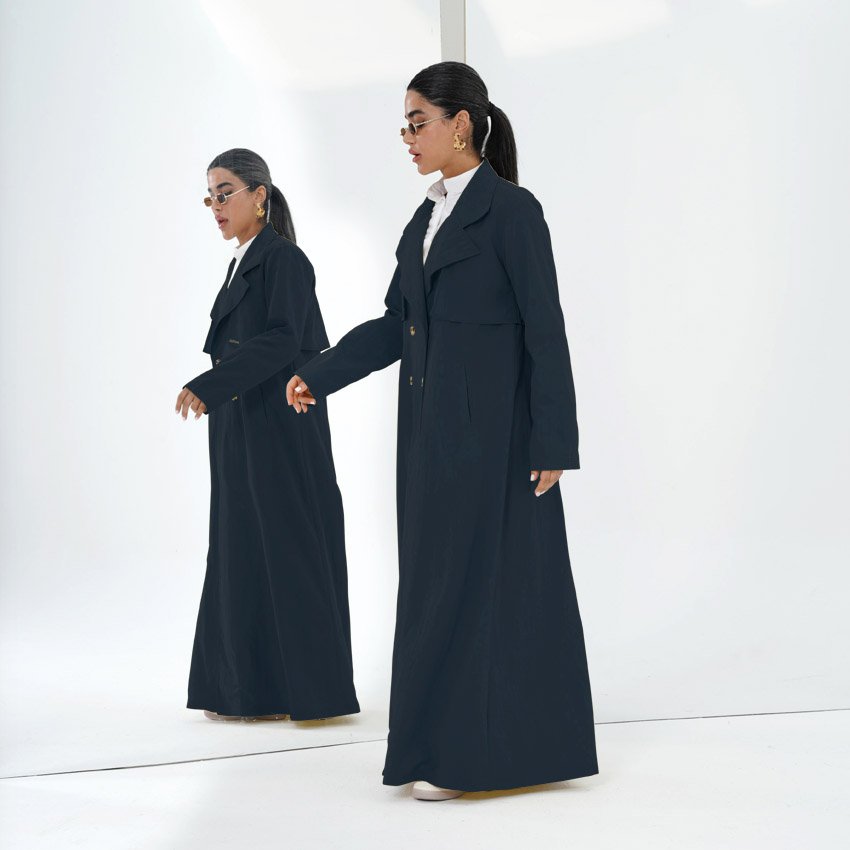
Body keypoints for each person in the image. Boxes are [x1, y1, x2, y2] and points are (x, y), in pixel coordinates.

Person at [287, 61, 599, 800]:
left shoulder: (512, 212)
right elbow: (397, 324)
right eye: (404, 125)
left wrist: (553, 440)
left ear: (461, 124)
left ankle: (473, 759)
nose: (407, 137)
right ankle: (433, 745)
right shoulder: (424, 219)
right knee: (433, 588)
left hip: (497, 440)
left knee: (482, 590)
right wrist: (320, 372)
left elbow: (545, 329)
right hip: (427, 438)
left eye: (417, 122)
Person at [175, 148, 360, 723]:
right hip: (240, 424)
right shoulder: (242, 262)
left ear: (260, 195)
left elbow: (283, 339)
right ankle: (247, 690)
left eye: (225, 193)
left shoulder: (285, 261)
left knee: (287, 547)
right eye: (210, 196)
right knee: (241, 546)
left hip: (279, 426)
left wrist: (210, 384)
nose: (216, 206)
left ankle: (308, 692)